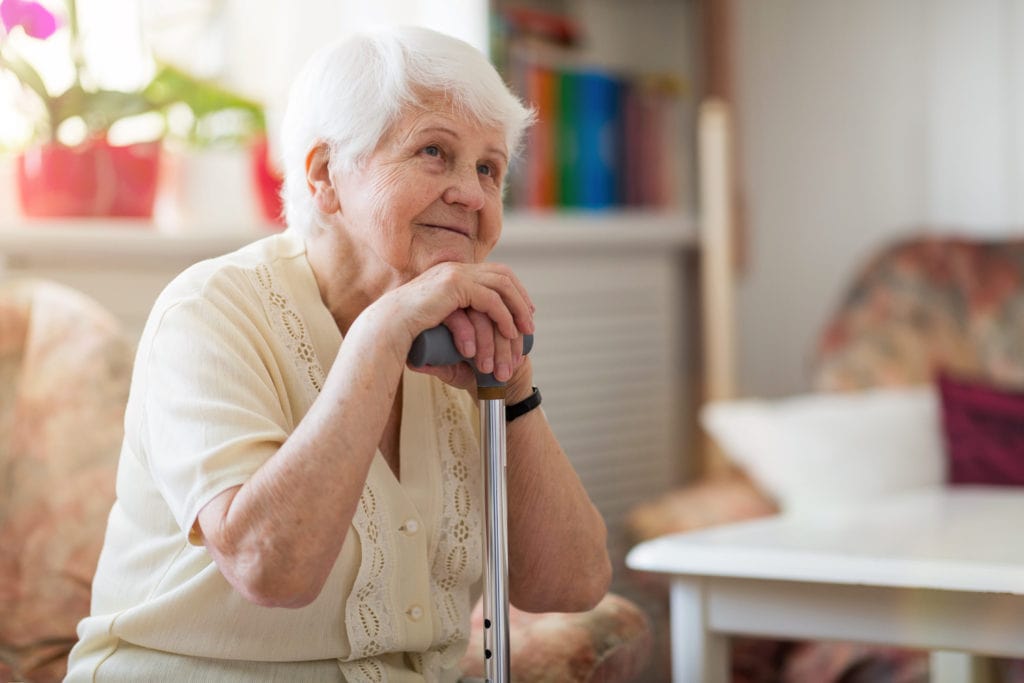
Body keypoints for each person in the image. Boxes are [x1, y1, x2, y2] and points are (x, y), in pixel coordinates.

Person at [65, 24, 611, 682]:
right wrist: (377, 342)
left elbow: (572, 584)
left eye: (488, 167)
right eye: (435, 152)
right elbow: (270, 566)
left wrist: (516, 385)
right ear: (325, 176)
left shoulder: (458, 332)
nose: (470, 191)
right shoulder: (209, 312)